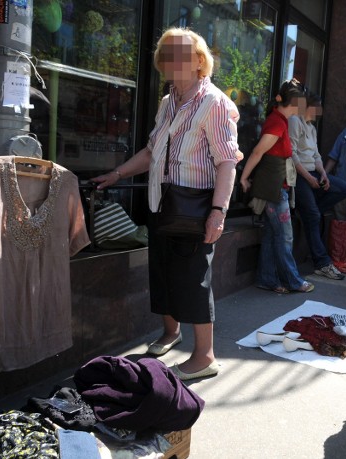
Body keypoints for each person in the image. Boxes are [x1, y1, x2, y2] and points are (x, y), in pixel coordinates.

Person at [92, 27, 240, 381]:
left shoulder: (214, 102)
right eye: (167, 53)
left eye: (182, 53)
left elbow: (227, 162)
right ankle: (171, 333)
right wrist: (118, 173)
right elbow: (151, 151)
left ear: (200, 61)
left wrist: (218, 213)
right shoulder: (167, 101)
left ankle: (205, 356)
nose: (173, 59)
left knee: (194, 279)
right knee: (162, 273)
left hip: (195, 206)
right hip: (160, 202)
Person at [240, 78, 314, 294]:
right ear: (293, 103)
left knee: (273, 235)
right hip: (273, 188)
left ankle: (267, 278)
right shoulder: (277, 122)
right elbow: (257, 152)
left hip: (275, 186)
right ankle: (292, 280)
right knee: (284, 235)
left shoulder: (280, 120)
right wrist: (244, 178)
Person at [288, 92, 346, 280]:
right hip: (299, 175)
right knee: (313, 215)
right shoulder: (294, 121)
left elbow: (316, 156)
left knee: (343, 188)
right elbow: (291, 153)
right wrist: (307, 177)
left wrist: (323, 173)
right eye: (317, 106)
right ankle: (322, 263)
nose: (319, 111)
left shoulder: (312, 128)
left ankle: (306, 211)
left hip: (314, 173)